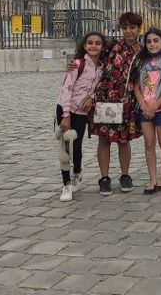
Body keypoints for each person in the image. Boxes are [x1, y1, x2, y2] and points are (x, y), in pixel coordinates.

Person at [92, 12, 143, 196]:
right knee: (104, 139)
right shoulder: (112, 45)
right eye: (125, 28)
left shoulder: (142, 51)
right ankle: (104, 177)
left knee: (123, 140)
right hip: (105, 97)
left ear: (139, 29)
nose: (128, 31)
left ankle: (125, 175)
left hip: (127, 100)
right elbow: (92, 56)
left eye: (132, 27)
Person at [55, 32, 104, 201]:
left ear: (102, 47)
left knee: (77, 147)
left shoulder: (102, 68)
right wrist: (65, 115)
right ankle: (66, 185)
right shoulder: (77, 64)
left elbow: (99, 89)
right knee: (66, 148)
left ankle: (77, 171)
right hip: (66, 109)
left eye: (98, 43)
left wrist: (92, 98)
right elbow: (66, 89)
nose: (93, 46)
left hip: (82, 112)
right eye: (90, 43)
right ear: (84, 46)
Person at [134, 28, 161, 194]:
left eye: (156, 40)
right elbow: (136, 85)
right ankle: (153, 178)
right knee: (149, 143)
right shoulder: (141, 62)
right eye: (149, 41)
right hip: (144, 108)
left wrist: (155, 105)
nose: (152, 44)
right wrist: (143, 104)